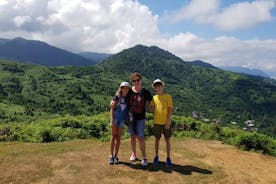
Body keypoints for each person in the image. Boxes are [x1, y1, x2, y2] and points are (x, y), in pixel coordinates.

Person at [127, 72, 153, 166]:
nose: (136, 82)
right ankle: (134, 153)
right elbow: (121, 96)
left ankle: (144, 157)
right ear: (132, 82)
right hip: (130, 118)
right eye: (134, 80)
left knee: (141, 137)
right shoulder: (129, 91)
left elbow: (152, 102)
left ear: (141, 80)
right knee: (132, 136)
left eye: (138, 80)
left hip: (141, 118)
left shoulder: (145, 92)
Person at [150, 79, 173, 167]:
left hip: (165, 122)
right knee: (157, 140)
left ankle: (168, 158)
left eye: (159, 85)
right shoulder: (154, 98)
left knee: (167, 140)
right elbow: (152, 110)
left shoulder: (168, 97)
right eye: (156, 86)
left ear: (162, 86)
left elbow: (170, 110)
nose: (158, 87)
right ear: (154, 88)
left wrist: (168, 121)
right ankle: (156, 157)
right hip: (156, 122)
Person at [108, 81, 130, 164]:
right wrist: (112, 119)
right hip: (115, 119)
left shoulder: (128, 99)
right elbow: (112, 109)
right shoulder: (117, 97)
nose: (125, 90)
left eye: (126, 88)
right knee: (113, 136)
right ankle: (111, 155)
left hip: (121, 121)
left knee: (118, 138)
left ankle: (116, 156)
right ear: (121, 89)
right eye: (123, 88)